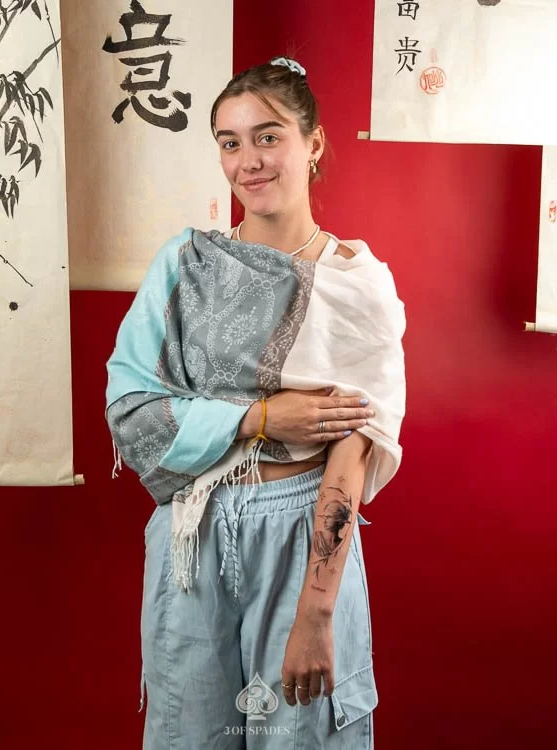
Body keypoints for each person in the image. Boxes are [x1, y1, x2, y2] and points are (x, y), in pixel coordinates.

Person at [106, 56, 406, 750]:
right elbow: (130, 409)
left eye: (269, 137)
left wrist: (318, 612)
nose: (249, 161)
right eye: (230, 142)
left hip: (301, 526)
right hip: (193, 529)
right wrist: (260, 417)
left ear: (314, 142)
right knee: (188, 735)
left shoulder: (356, 284)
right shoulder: (183, 265)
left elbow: (351, 454)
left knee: (303, 735)